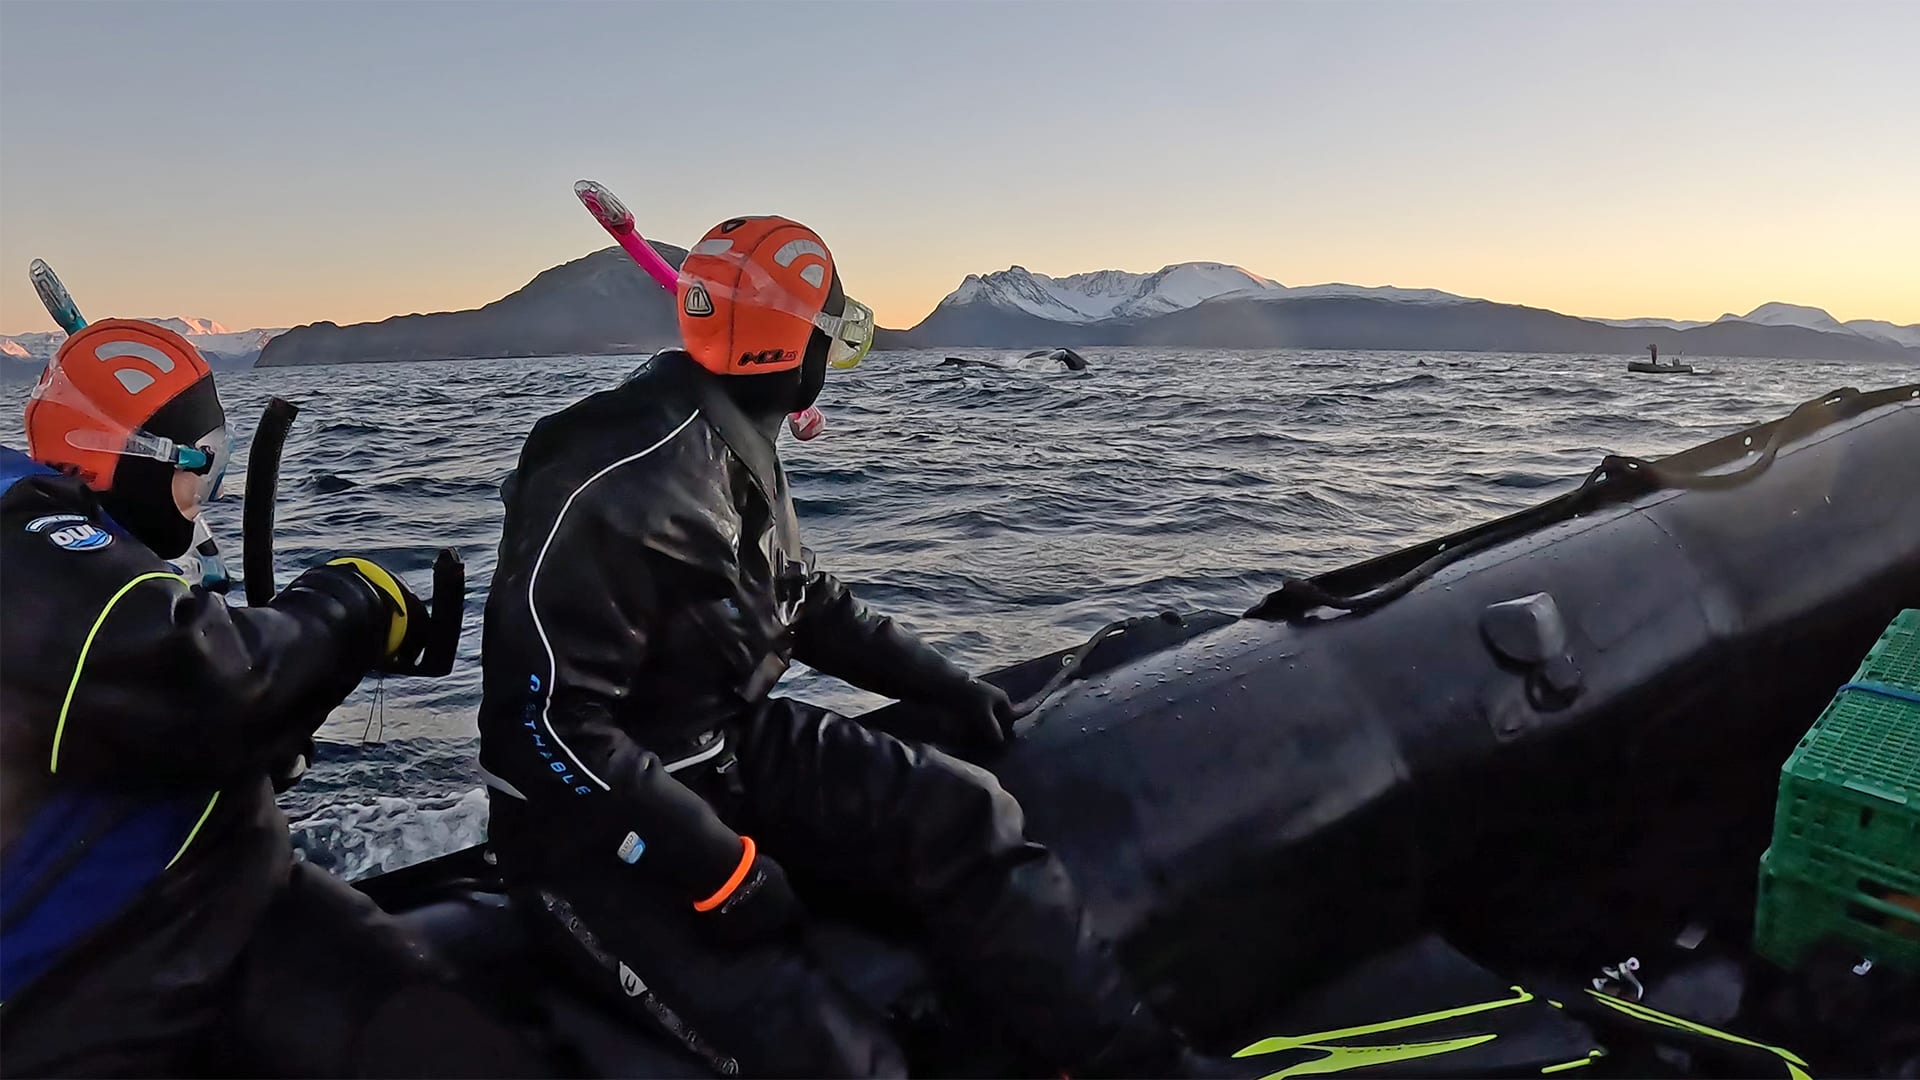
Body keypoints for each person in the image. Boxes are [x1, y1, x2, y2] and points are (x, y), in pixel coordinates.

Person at [476, 216, 1230, 1077]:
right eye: (830, 337)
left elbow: (800, 599)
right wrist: (715, 864)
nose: (834, 360)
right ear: (793, 349)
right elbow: (541, 729)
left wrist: (942, 683)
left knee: (967, 814)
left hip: (725, 739)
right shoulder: (621, 475)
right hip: (596, 831)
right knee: (838, 1056)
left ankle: (1137, 1063)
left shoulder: (731, 437)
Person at [0, 318, 537, 1077]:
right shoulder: (36, 557)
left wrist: (272, 729)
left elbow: (148, 717)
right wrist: (349, 605)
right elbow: (211, 681)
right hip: (92, 975)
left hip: (213, 895)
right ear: (135, 463)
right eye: (204, 467)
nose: (207, 495)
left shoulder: (76, 547)